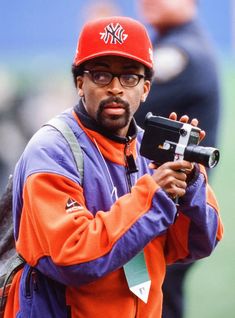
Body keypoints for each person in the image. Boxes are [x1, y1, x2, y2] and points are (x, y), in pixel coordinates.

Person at [4, 16, 223, 318]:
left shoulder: (152, 151)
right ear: (80, 83)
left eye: (129, 77)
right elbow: (73, 256)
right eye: (102, 76)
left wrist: (189, 187)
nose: (116, 88)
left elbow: (198, 243)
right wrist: (154, 195)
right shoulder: (51, 150)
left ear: (146, 88)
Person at [135, 1, 221, 317]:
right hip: (161, 200)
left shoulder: (182, 52)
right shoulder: (173, 45)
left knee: (153, 294)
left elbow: (121, 110)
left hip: (170, 207)